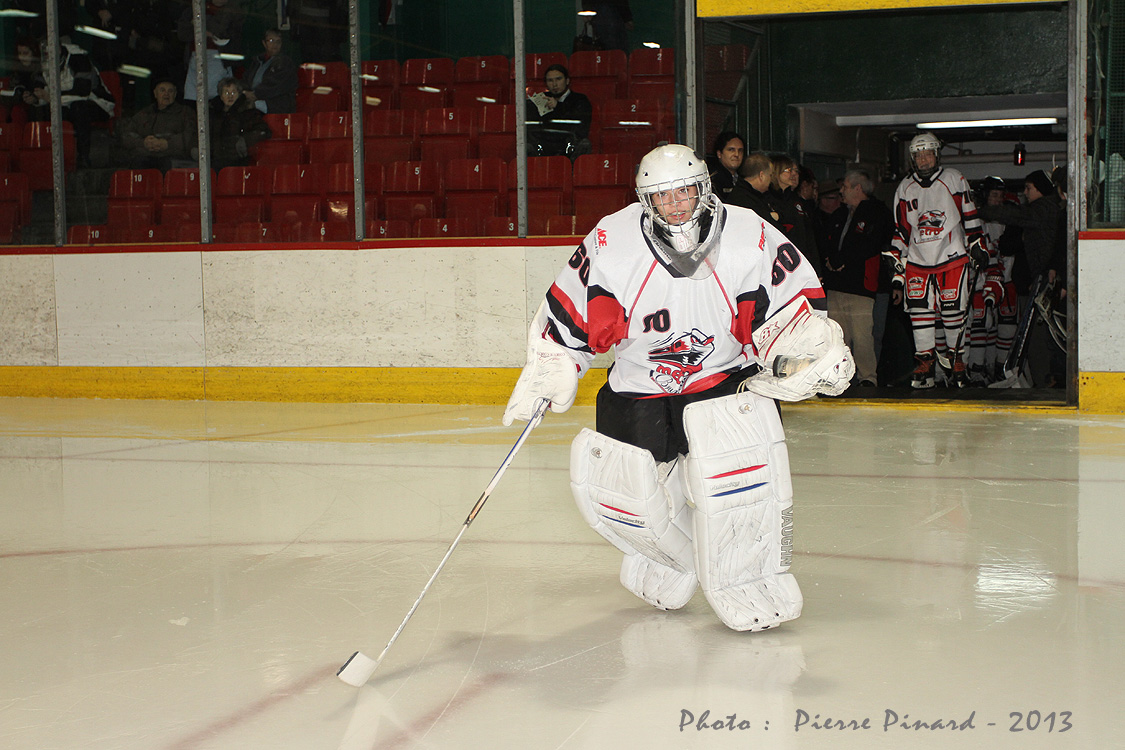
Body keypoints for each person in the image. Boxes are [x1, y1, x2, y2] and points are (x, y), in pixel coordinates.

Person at [501, 144, 854, 631]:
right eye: (664, 196)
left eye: (685, 190)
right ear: (646, 199)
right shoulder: (612, 241)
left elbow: (788, 302)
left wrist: (805, 349)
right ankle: (667, 559)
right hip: (638, 385)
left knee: (738, 491)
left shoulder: (748, 233)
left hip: (722, 381)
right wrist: (555, 360)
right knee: (624, 498)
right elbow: (574, 310)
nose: (677, 204)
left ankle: (746, 577)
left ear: (704, 188)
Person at [886, 132, 985, 388]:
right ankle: (925, 364)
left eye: (928, 153)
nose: (924, 159)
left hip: (951, 256)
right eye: (919, 155)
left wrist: (977, 245)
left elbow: (971, 216)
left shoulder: (954, 179)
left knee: (953, 314)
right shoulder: (905, 188)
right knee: (919, 314)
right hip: (918, 260)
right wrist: (896, 258)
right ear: (912, 159)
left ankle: (957, 362)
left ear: (937, 155)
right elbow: (901, 230)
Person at [823, 170, 892, 387]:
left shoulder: (877, 212)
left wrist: (843, 259)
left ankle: (867, 378)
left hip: (862, 286)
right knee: (837, 337)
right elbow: (826, 240)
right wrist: (830, 259)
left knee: (863, 336)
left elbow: (870, 244)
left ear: (857, 188)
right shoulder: (840, 214)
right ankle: (839, 378)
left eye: (844, 186)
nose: (841, 191)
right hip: (836, 285)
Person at [33, 42, 115, 167]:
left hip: (97, 103)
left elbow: (82, 92)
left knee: (79, 108)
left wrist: (52, 98)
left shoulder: (79, 59)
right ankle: (50, 160)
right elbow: (43, 92)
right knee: (46, 111)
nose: (46, 54)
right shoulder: (43, 65)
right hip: (65, 106)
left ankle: (83, 157)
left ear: (59, 49)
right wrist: (35, 98)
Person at [118, 78, 197, 171]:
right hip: (145, 157)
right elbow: (126, 135)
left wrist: (167, 144)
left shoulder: (185, 113)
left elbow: (191, 135)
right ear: (155, 93)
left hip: (173, 158)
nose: (166, 94)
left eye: (170, 91)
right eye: (162, 90)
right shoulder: (143, 114)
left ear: (175, 94)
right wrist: (143, 143)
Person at [769, 154, 821, 279]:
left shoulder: (797, 202)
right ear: (776, 172)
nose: (793, 174)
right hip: (778, 266)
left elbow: (809, 237)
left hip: (800, 264)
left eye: (796, 171)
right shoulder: (767, 199)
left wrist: (817, 270)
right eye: (788, 170)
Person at [525, 64, 593, 159]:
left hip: (570, 147)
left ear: (567, 81)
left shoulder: (580, 99)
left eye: (558, 79)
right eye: (550, 80)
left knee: (584, 144)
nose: (554, 84)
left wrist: (558, 107)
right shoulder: (541, 99)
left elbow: (579, 127)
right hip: (544, 148)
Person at [208, 77, 270, 171]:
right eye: (226, 93)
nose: (230, 96)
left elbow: (262, 130)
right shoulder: (213, 114)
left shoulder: (247, 112)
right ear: (221, 96)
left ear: (239, 94)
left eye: (233, 92)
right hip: (215, 162)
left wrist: (244, 140)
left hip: (239, 162)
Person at [240, 28, 298, 114]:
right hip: (255, 97)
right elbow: (245, 80)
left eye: (278, 41)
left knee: (247, 107)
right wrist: (244, 92)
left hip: (274, 104)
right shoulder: (257, 61)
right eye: (271, 40)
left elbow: (276, 86)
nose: (275, 44)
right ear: (264, 43)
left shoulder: (285, 63)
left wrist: (256, 94)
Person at [7, 37, 48, 126]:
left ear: (34, 53)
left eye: (25, 53)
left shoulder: (43, 70)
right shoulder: (16, 72)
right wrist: (21, 95)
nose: (22, 57)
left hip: (42, 109)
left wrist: (34, 98)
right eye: (20, 53)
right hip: (23, 110)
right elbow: (11, 93)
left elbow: (43, 89)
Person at [708, 131, 745, 201]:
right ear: (719, 154)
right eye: (731, 150)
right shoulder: (712, 179)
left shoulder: (744, 178)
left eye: (740, 150)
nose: (736, 154)